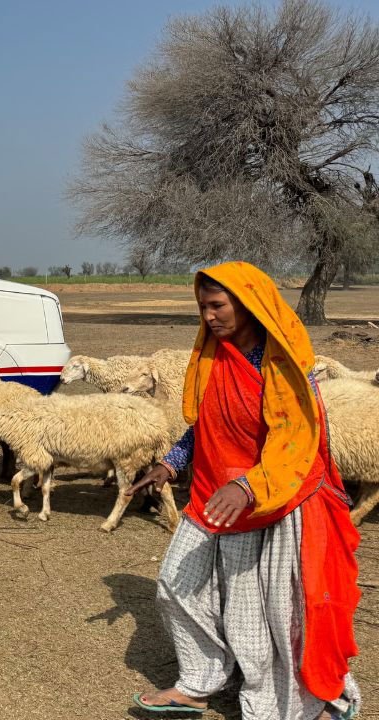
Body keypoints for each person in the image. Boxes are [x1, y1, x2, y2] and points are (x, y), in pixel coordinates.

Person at [127, 262, 361, 719]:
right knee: (176, 585)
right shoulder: (216, 355)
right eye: (203, 307)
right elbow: (208, 424)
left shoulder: (285, 364)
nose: (208, 316)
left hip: (273, 498)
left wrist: (248, 486)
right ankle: (201, 678)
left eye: (217, 305)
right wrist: (170, 463)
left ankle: (307, 701)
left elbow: (296, 438)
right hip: (216, 492)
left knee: (265, 613)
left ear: (249, 305)